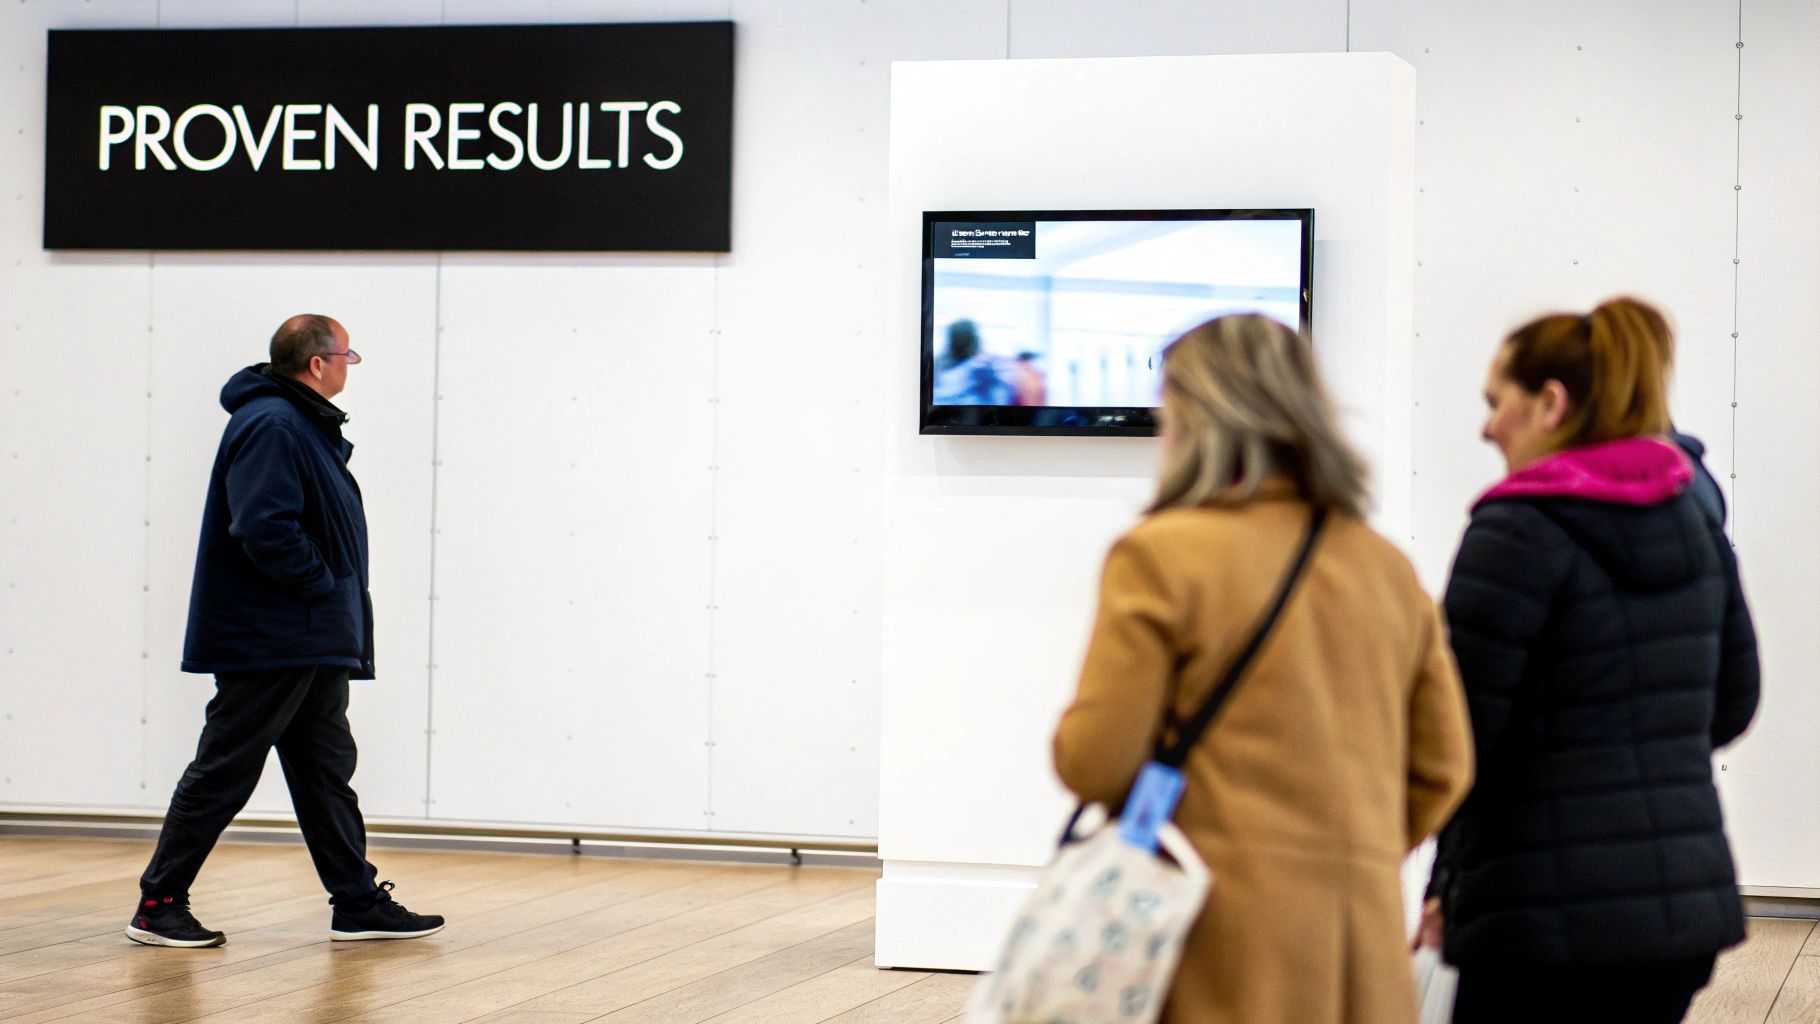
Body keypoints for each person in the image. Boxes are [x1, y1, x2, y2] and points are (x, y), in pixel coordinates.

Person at [1052, 313, 1475, 1023]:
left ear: (1195, 419)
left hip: (1217, 944)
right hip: (1361, 948)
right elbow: (1445, 765)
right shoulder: (1386, 570)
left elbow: (1096, 760)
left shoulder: (1160, 556)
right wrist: (1359, 850)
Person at [1418, 297, 1760, 1023]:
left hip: (1537, 917)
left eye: (1495, 402)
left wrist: (1441, 882)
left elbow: (1457, 736)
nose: (1485, 427)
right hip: (1677, 909)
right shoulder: (1692, 514)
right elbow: (1734, 702)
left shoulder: (1513, 530)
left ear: (1550, 403)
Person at [128, 315, 443, 947]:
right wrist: (321, 586)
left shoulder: (300, 423)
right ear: (318, 363)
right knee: (225, 768)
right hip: (273, 637)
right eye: (348, 356)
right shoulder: (273, 423)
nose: (350, 366)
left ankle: (357, 902)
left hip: (308, 635)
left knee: (325, 771)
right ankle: (158, 904)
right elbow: (264, 525)